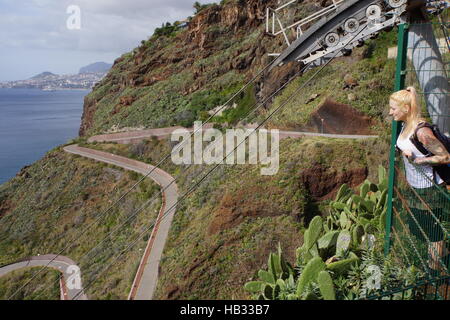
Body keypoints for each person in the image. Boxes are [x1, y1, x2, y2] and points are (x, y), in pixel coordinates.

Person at [389, 86, 450, 275]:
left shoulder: (422, 133)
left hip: (429, 188)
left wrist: (417, 160)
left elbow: (445, 157)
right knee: (421, 227)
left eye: (393, 108)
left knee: (433, 233)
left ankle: (435, 270)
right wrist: (413, 93)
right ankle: (442, 256)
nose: (390, 112)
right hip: (416, 185)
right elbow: (415, 110)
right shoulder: (408, 121)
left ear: (406, 109)